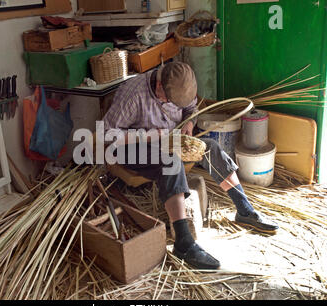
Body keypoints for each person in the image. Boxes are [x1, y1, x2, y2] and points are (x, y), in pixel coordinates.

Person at [103, 61, 279, 270]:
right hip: (131, 147)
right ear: (160, 85)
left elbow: (191, 109)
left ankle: (244, 210)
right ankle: (184, 244)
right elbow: (107, 134)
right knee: (170, 162)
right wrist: (152, 135)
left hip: (168, 140)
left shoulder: (180, 84)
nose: (175, 106)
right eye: (170, 101)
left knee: (209, 147)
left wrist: (188, 123)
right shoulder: (133, 95)